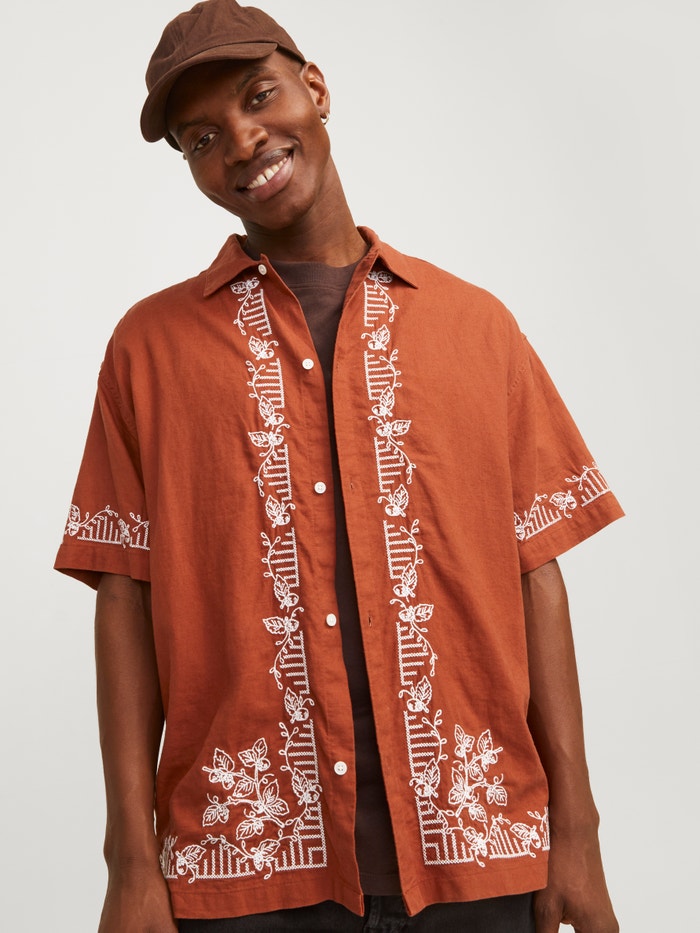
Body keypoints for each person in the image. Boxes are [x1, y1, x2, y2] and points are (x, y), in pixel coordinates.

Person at [55, 1, 623, 930]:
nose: (242, 141)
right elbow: (124, 591)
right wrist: (129, 863)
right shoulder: (148, 349)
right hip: (244, 873)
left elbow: (536, 569)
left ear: (314, 89)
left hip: (482, 858)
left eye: (258, 97)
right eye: (202, 138)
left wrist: (579, 833)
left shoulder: (476, 326)